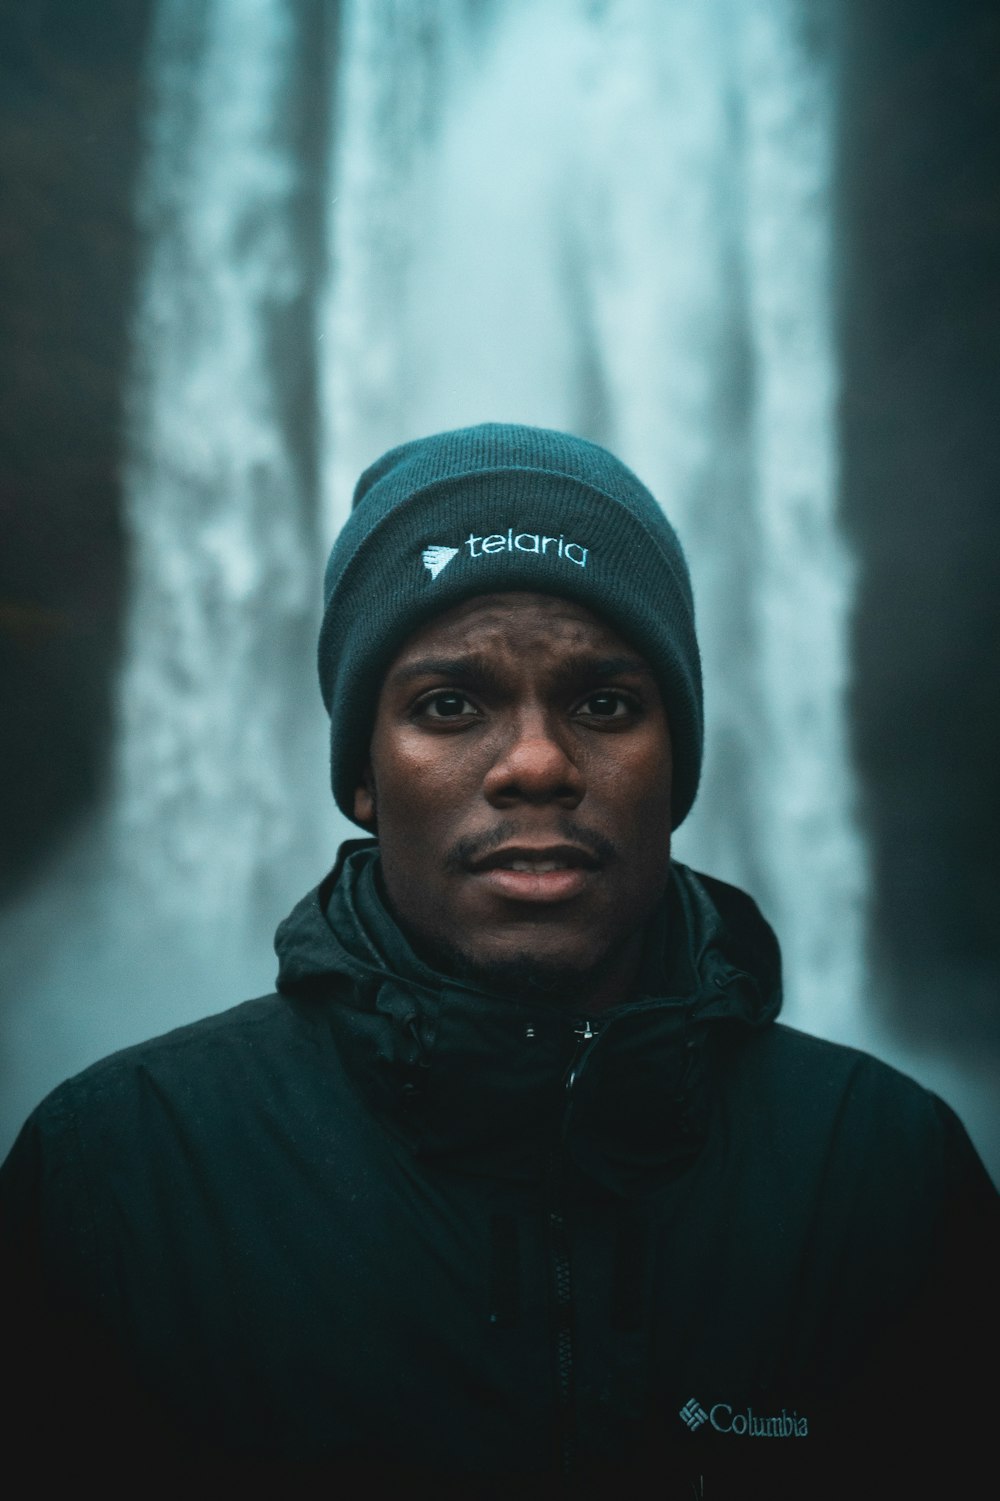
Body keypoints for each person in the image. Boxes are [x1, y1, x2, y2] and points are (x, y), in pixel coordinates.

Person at [1, 424, 997, 1498]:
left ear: (681, 766)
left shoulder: (889, 1182)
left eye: (605, 703)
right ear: (363, 776)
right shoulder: (112, 1181)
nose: (535, 763)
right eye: (448, 704)